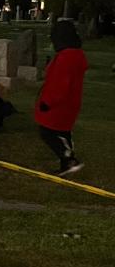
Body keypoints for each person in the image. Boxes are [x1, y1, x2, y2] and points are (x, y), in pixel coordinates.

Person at [34, 20, 88, 176]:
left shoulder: (66, 58)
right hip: (70, 101)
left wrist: (47, 102)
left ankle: (69, 158)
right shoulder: (75, 55)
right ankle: (67, 161)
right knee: (63, 131)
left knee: (48, 132)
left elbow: (59, 84)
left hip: (60, 103)